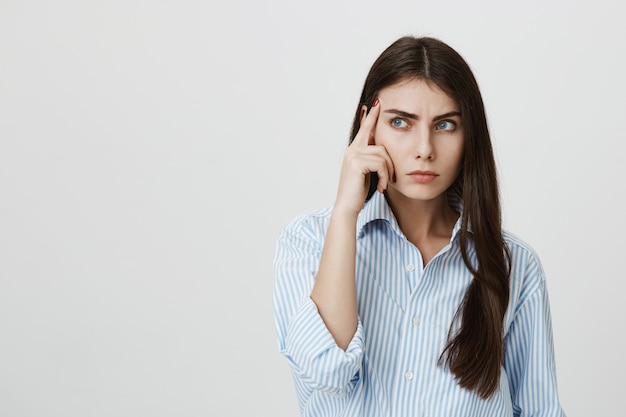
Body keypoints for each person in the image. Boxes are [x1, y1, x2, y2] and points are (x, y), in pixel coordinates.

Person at [272, 36, 565, 416]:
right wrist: (346, 211)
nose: (424, 147)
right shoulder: (307, 242)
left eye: (445, 125)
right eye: (400, 122)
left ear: (468, 136)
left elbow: (541, 410)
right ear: (368, 128)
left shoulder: (514, 265)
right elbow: (326, 371)